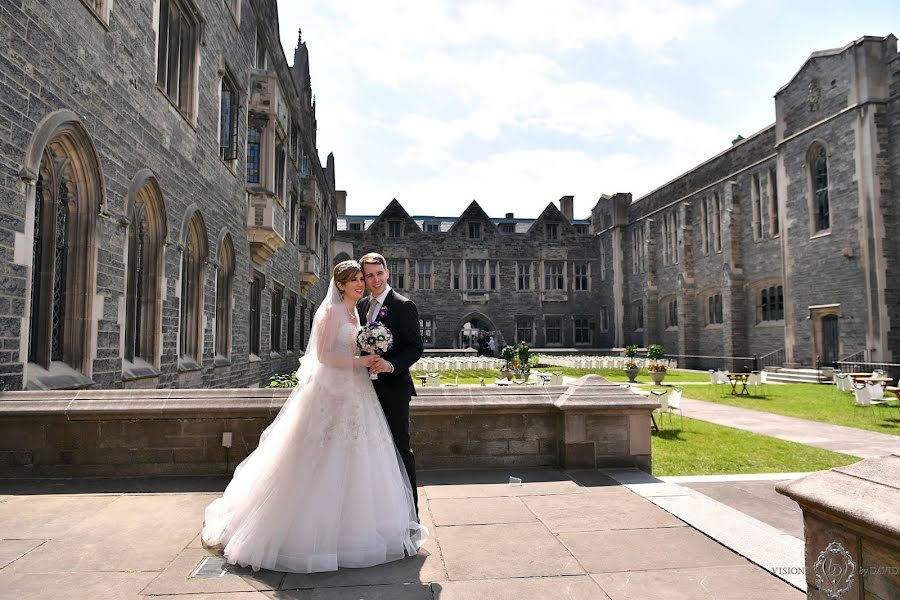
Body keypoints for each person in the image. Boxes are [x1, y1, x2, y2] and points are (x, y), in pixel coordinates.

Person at [201, 260, 427, 573]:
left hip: (369, 392)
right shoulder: (338, 311)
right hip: (337, 391)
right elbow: (323, 355)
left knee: (376, 456)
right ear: (341, 285)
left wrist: (382, 362)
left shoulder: (367, 309)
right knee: (325, 458)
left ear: (385, 274)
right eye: (357, 279)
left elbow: (414, 347)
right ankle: (319, 533)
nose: (363, 283)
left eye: (367, 277)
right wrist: (363, 362)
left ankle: (397, 520)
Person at [357, 252, 424, 515]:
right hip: (364, 389)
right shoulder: (361, 306)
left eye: (379, 274)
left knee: (399, 447)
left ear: (387, 272)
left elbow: (415, 348)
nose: (375, 280)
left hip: (394, 388)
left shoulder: (402, 305)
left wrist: (390, 364)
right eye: (369, 275)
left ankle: (411, 513)